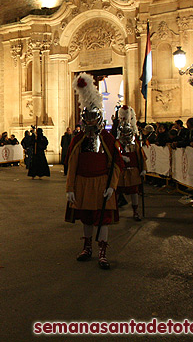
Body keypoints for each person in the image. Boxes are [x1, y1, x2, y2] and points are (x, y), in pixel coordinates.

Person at [65, 73, 124, 270]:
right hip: (82, 183)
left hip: (101, 184)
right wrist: (70, 188)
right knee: (87, 218)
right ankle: (87, 246)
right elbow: (72, 164)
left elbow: (116, 164)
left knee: (103, 219)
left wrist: (112, 187)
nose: (90, 121)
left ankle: (102, 251)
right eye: (87, 117)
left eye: (93, 117)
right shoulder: (77, 139)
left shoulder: (107, 139)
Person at [115, 105, 146, 222]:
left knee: (134, 192)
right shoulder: (117, 141)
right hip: (121, 171)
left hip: (133, 171)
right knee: (117, 191)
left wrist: (143, 168)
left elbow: (140, 156)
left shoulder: (135, 142)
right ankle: (116, 211)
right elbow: (113, 153)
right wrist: (120, 157)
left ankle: (136, 211)